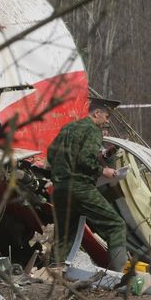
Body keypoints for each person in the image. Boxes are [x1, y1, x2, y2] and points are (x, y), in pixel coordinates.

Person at [48, 97, 127, 271]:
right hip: (80, 187)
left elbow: (51, 155)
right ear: (96, 113)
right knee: (116, 225)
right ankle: (121, 276)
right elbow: (85, 159)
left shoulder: (68, 128)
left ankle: (55, 274)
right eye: (107, 116)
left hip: (60, 189)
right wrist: (103, 171)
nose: (107, 121)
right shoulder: (93, 130)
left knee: (64, 234)